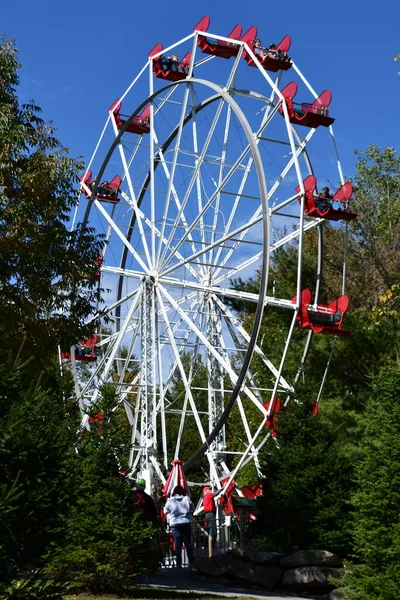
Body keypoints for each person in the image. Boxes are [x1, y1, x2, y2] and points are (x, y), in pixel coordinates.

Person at [163, 485, 194, 567]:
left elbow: (165, 511)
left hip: (175, 524)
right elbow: (192, 508)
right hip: (185, 522)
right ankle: (192, 562)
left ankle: (179, 563)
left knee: (178, 544)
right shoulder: (186, 498)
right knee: (187, 543)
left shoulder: (170, 500)